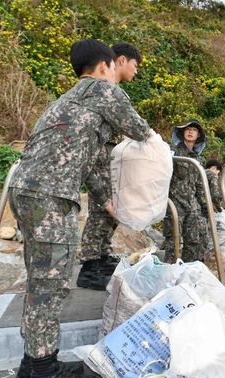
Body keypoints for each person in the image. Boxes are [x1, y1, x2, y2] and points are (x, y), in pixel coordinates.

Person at [9, 38, 153, 378]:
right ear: (106, 65)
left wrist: (105, 200)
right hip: (49, 200)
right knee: (49, 290)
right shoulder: (104, 91)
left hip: (26, 192)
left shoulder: (68, 100)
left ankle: (32, 367)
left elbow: (84, 161)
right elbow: (141, 132)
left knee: (39, 285)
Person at [77, 42, 143, 290]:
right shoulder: (107, 89)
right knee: (100, 211)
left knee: (108, 214)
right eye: (135, 66)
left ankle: (101, 257)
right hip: (98, 159)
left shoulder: (108, 88)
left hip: (109, 159)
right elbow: (135, 128)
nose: (136, 72)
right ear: (122, 60)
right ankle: (89, 268)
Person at [162, 119, 209, 263]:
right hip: (175, 201)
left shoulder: (199, 159)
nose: (190, 132)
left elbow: (199, 185)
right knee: (173, 240)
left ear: (198, 135)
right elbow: (164, 175)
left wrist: (204, 206)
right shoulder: (173, 151)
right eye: (188, 129)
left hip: (192, 204)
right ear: (182, 132)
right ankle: (168, 273)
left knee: (194, 241)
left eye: (194, 130)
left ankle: (187, 273)